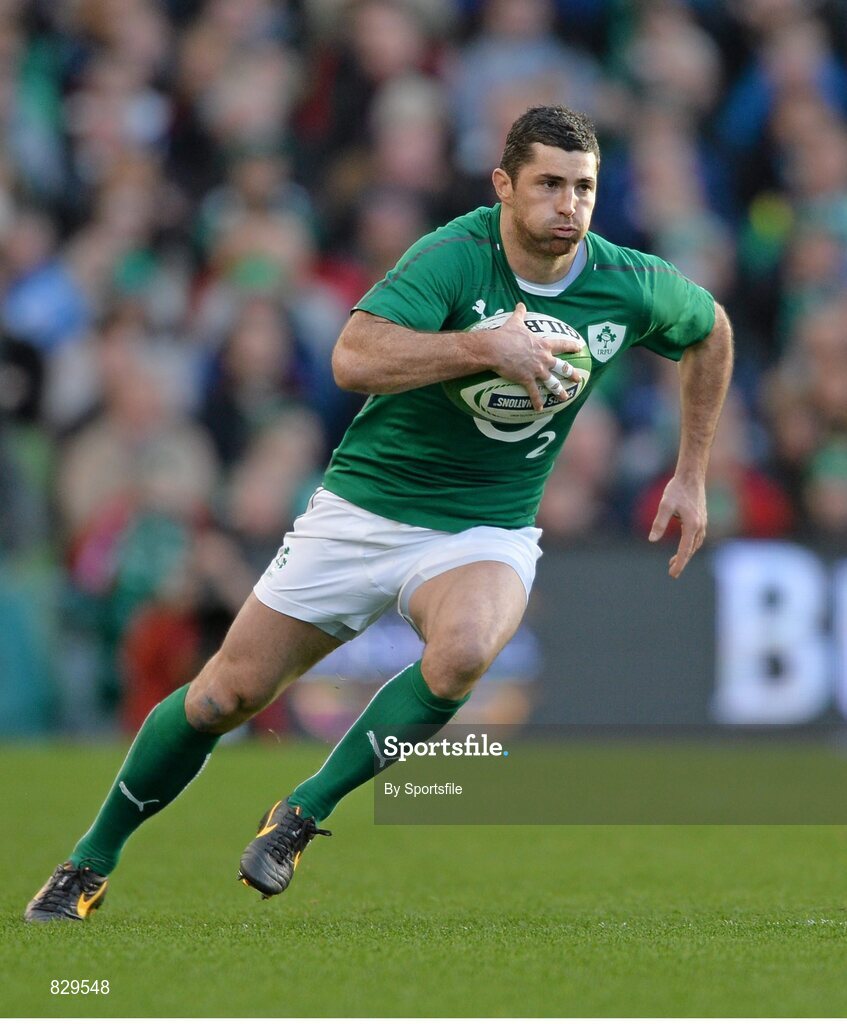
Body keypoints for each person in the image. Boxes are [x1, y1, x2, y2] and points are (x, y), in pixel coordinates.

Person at [25, 105, 733, 922]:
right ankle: (88, 863)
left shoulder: (628, 281)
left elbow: (709, 331)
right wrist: (480, 347)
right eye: (547, 184)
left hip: (485, 527)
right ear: (503, 186)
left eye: (583, 188)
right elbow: (351, 357)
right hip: (364, 510)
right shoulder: (451, 257)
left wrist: (689, 470)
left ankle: (300, 814)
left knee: (464, 652)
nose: (567, 205)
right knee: (225, 696)